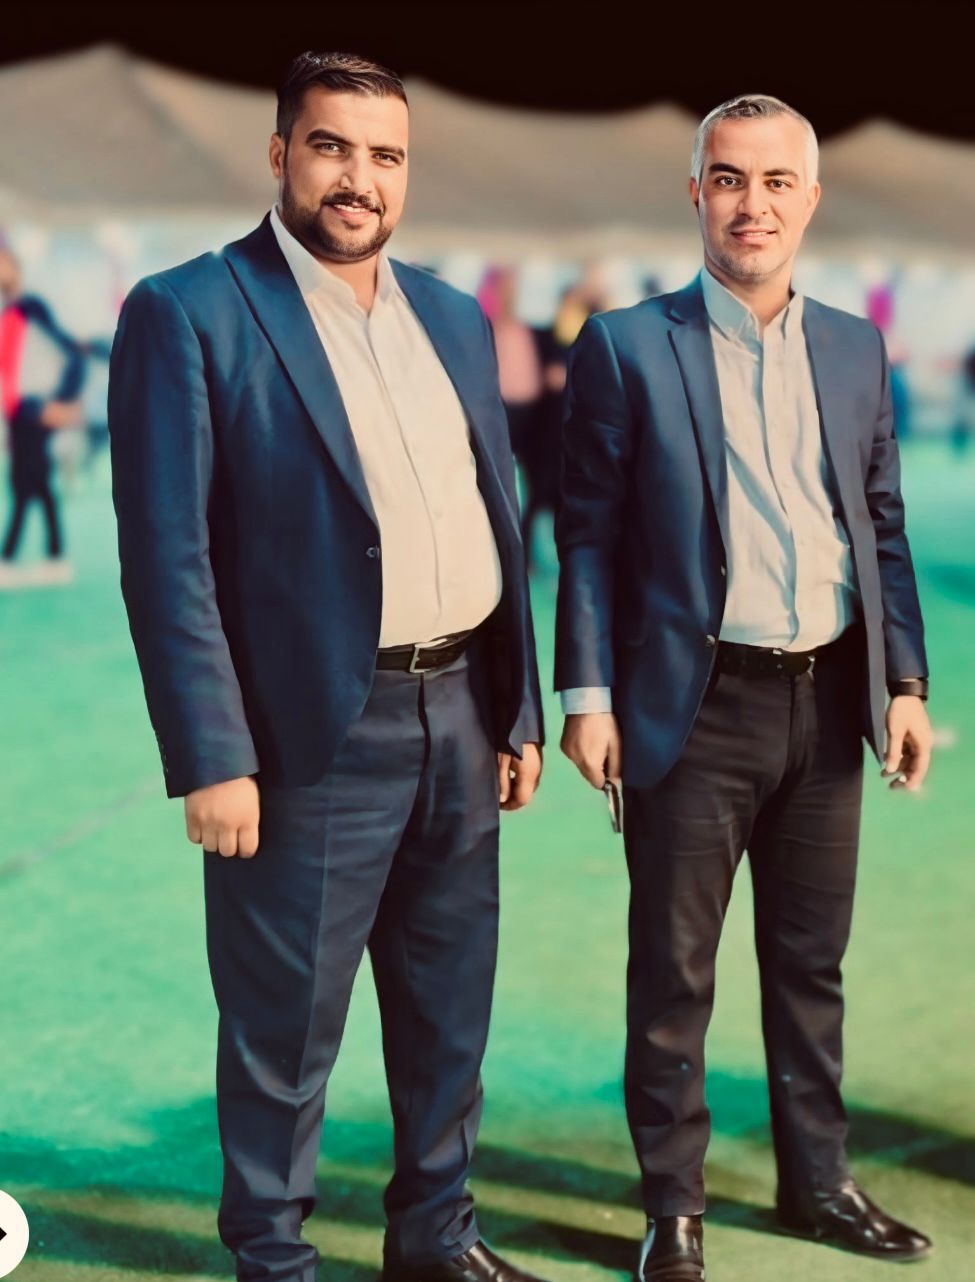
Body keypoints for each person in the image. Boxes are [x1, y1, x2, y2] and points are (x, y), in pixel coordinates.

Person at [109, 51, 546, 1282]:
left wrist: (514, 705)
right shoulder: (188, 310)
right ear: (280, 154)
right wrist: (213, 755)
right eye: (332, 147)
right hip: (308, 735)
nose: (360, 178)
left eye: (385, 155)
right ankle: (272, 1253)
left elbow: (495, 516)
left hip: (462, 715)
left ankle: (436, 1236)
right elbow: (168, 555)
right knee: (285, 1026)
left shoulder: (453, 318)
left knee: (450, 1005)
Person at [556, 94, 933, 1281]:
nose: (752, 204)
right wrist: (586, 693)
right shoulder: (626, 346)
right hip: (693, 708)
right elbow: (585, 536)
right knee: (674, 976)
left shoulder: (855, 348)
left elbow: (881, 524)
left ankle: (817, 1182)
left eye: (776, 182)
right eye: (729, 179)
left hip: (828, 706)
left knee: (811, 966)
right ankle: (673, 1207)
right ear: (696, 194)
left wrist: (905, 682)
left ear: (809, 199)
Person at [0, 246, 86, 585]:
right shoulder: (7, 312)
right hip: (17, 414)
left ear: (15, 268)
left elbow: (72, 353)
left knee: (26, 487)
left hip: (34, 411)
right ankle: (55, 556)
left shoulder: (30, 307)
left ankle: (10, 558)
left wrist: (62, 402)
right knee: (35, 485)